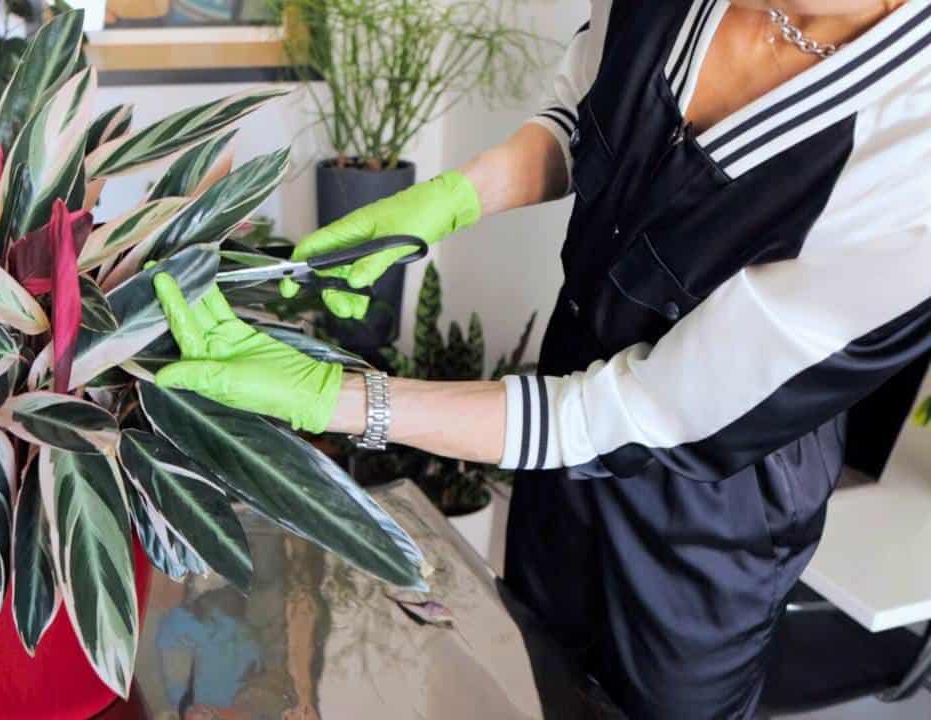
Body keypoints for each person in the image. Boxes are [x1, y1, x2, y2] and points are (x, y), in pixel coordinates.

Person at [150, 1, 931, 716]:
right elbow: (587, 118)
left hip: (712, 500)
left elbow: (642, 414)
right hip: (551, 426)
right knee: (539, 673)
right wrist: (449, 201)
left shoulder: (912, 156)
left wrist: (341, 398)